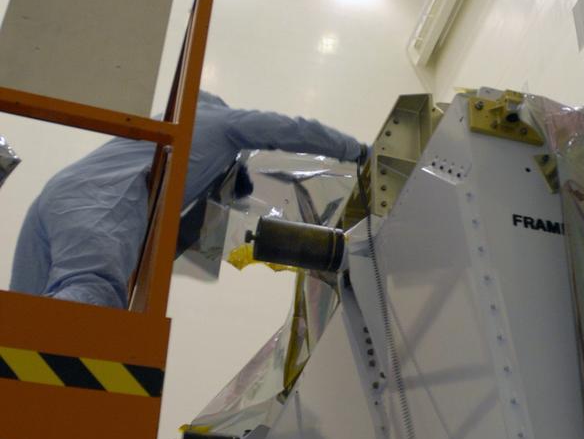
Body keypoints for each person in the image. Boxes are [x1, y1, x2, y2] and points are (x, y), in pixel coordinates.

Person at [10, 91, 367, 309]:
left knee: (24, 314)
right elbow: (296, 130)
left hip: (56, 196)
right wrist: (359, 151)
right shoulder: (224, 122)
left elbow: (177, 228)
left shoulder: (167, 132)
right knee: (94, 289)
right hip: (105, 200)